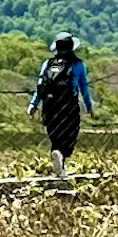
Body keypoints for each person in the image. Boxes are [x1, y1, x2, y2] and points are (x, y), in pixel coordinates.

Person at [28, 35, 91, 167]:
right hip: (69, 107)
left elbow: (41, 85)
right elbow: (83, 87)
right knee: (70, 136)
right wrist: (89, 106)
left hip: (49, 106)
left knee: (55, 136)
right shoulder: (78, 65)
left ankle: (58, 160)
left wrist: (33, 104)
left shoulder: (48, 63)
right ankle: (61, 157)